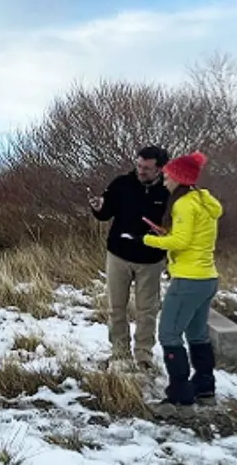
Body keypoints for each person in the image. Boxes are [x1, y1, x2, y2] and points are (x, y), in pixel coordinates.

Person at [121, 151, 223, 416]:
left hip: (188, 280)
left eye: (169, 175)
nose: (165, 178)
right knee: (197, 334)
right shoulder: (203, 200)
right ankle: (204, 389)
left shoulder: (184, 204)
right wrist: (166, 233)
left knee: (168, 334)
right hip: (207, 278)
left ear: (179, 178)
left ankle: (179, 399)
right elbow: (189, 236)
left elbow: (180, 243)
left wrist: (144, 239)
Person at [89, 146, 170, 372]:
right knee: (117, 307)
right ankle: (119, 352)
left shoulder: (168, 190)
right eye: (139, 166)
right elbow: (105, 213)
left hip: (151, 259)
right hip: (119, 254)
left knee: (147, 309)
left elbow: (176, 223)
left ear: (159, 169)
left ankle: (143, 355)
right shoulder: (121, 184)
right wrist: (98, 207)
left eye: (147, 168)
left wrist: (167, 234)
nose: (141, 171)